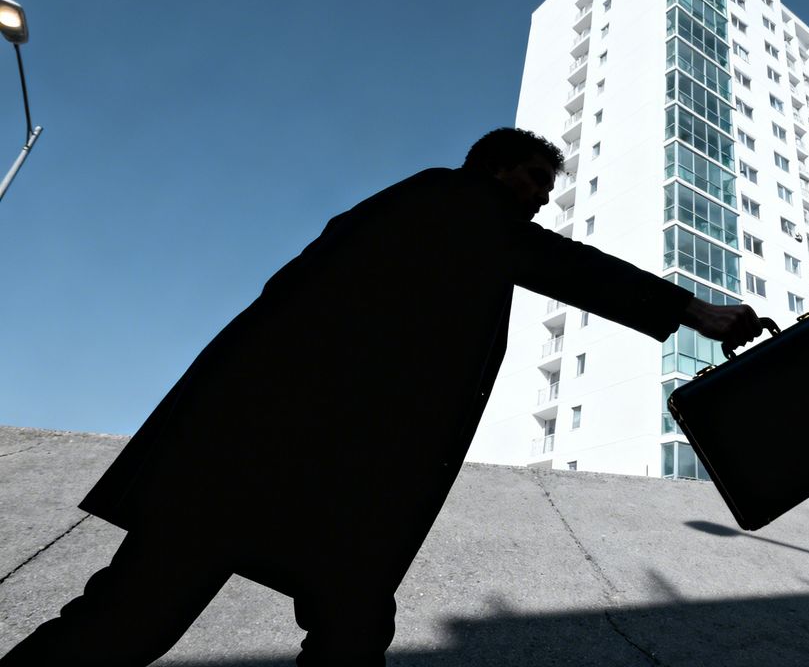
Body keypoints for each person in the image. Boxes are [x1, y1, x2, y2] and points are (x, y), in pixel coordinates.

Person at [0, 127, 764, 666]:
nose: (537, 197)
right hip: (273, 454)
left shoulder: (423, 222)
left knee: (344, 628)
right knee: (135, 620)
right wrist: (695, 312)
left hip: (328, 466)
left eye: (543, 187)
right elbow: (569, 265)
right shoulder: (451, 199)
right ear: (494, 171)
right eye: (530, 179)